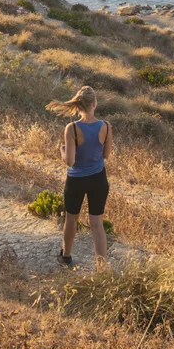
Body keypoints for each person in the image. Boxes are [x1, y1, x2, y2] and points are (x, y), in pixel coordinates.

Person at [47, 86, 113, 269]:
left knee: (71, 219)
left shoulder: (72, 129)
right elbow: (106, 155)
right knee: (97, 224)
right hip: (98, 179)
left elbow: (69, 161)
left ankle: (66, 256)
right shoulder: (106, 127)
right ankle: (101, 267)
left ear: (79, 106)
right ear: (94, 104)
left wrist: (61, 150)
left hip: (76, 180)